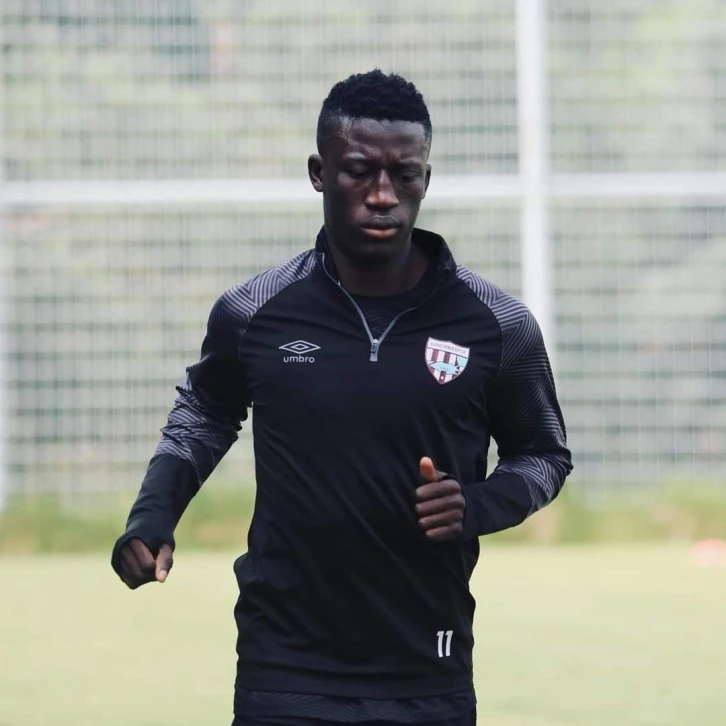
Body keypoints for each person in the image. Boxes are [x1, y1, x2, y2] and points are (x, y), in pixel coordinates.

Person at [112, 69, 573, 726]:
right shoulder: (254, 312)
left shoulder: (497, 324)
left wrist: (478, 505)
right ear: (319, 173)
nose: (383, 195)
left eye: (404, 175)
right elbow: (204, 415)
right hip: (283, 668)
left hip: (427, 670)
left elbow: (544, 454)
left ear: (426, 180)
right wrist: (152, 517)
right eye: (360, 172)